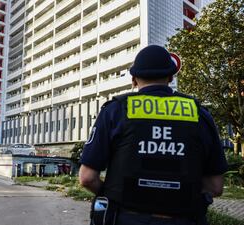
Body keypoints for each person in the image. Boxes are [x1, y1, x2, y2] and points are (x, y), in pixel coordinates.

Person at [79, 45, 228, 225]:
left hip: (125, 218)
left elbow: (87, 178)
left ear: (133, 80)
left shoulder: (115, 111)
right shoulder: (200, 114)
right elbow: (215, 186)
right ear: (171, 77)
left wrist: (115, 195)